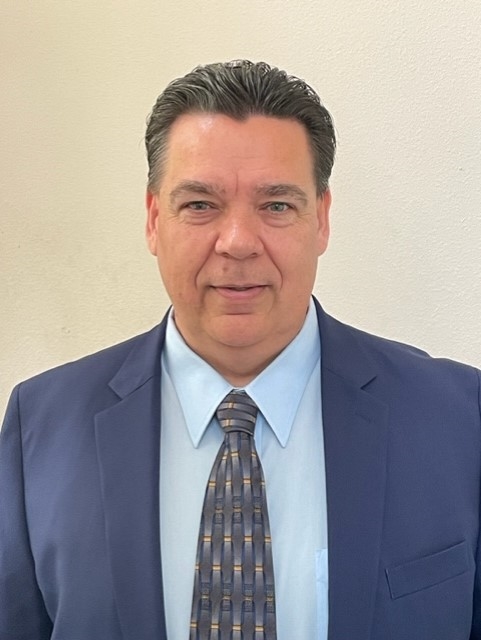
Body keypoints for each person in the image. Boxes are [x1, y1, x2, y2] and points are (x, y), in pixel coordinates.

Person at [0, 60, 480, 640]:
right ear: (153, 220)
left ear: (321, 220)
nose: (237, 242)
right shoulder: (40, 427)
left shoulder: (458, 418)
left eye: (276, 205)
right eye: (200, 205)